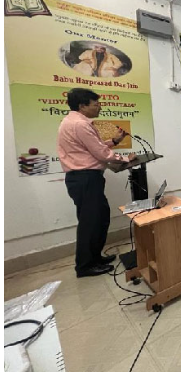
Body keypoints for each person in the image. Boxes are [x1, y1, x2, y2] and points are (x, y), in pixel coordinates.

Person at [57, 88, 136, 277]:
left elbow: (94, 147)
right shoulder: (79, 124)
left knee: (99, 218)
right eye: (96, 104)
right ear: (82, 106)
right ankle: (85, 266)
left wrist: (114, 141)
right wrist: (126, 159)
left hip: (84, 179)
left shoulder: (75, 122)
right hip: (85, 178)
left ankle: (94, 258)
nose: (99, 107)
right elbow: (101, 153)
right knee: (91, 222)